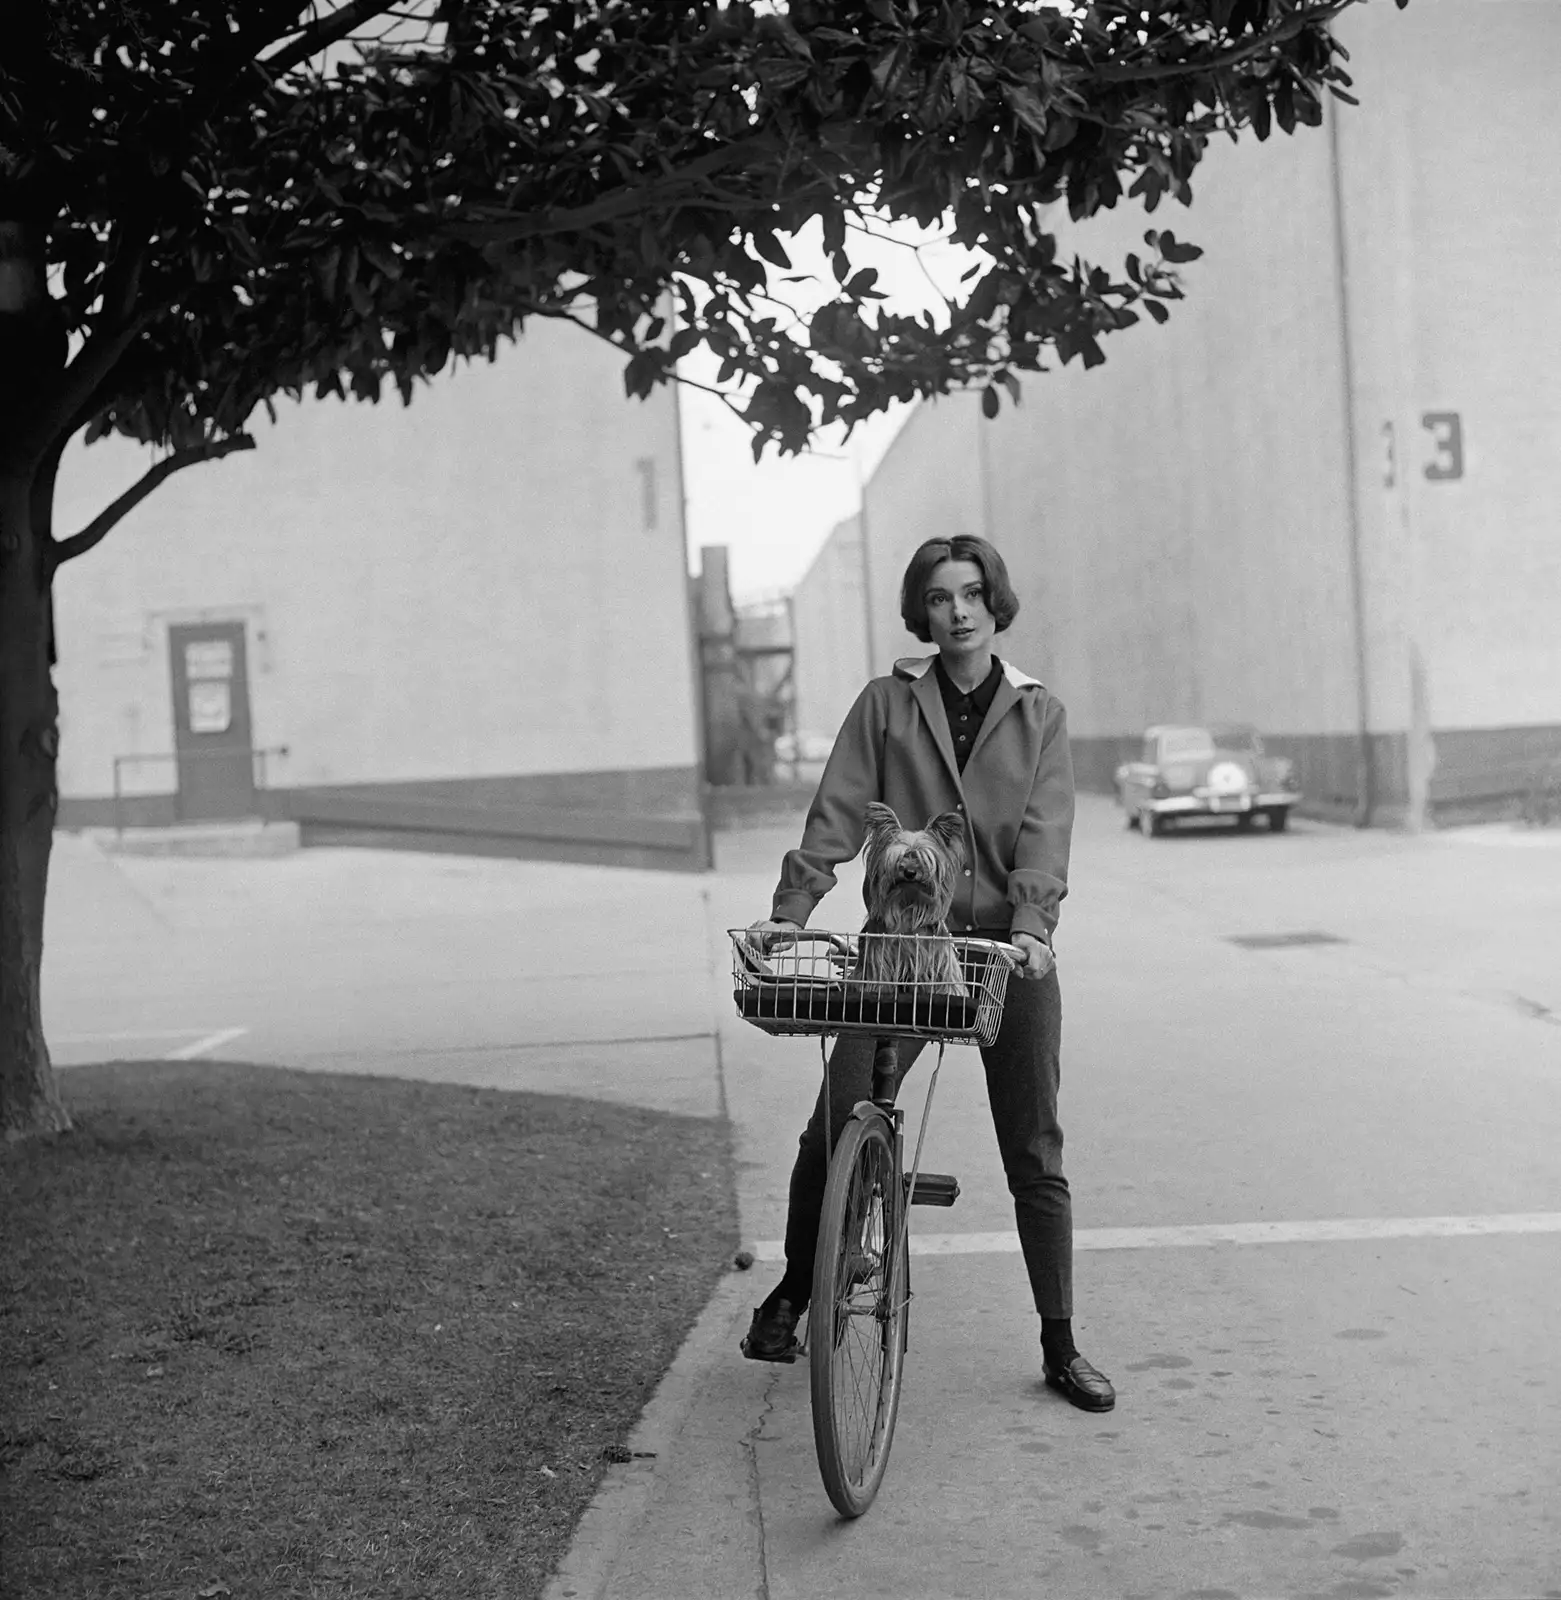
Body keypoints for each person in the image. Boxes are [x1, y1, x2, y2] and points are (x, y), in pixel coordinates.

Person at [740, 534, 1115, 1413]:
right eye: (940, 596)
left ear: (995, 602)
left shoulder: (1037, 713)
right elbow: (835, 811)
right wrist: (789, 912)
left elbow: (1043, 832)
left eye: (973, 592)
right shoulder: (884, 704)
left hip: (1001, 956)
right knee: (832, 1123)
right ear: (923, 610)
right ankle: (793, 1292)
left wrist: (1031, 926)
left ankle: (1060, 1344)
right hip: (901, 951)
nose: (958, 610)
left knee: (1034, 1148)